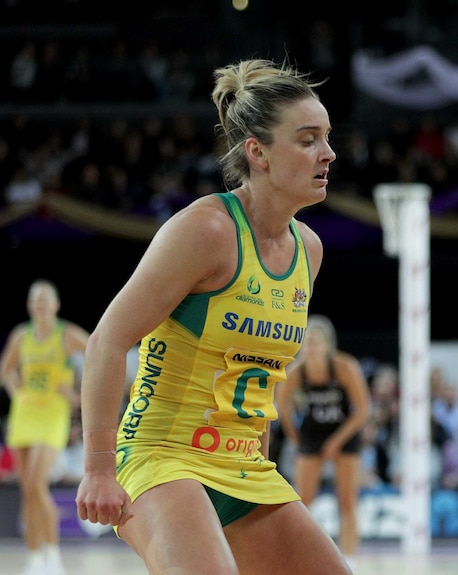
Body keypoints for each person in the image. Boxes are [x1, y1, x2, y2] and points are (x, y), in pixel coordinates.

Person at [74, 58, 351, 575]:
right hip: (162, 455)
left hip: (244, 464)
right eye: (309, 139)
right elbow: (107, 341)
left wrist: (262, 469)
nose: (329, 153)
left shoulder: (308, 250)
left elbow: (260, 381)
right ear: (258, 153)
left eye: (328, 137)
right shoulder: (207, 230)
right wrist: (98, 469)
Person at [0, 279, 90, 575]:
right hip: (24, 415)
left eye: (45, 300)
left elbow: (99, 355)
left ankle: (53, 555)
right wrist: (17, 392)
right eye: (35, 300)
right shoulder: (21, 336)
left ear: (55, 304)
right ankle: (35, 556)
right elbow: (6, 370)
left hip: (53, 416)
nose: (40, 305)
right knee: (28, 489)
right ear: (29, 306)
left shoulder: (67, 335)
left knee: (38, 484)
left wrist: (77, 394)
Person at [275, 314, 371, 557]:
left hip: (345, 430)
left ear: (328, 345)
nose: (311, 348)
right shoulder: (296, 372)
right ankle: (297, 555)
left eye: (316, 342)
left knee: (347, 500)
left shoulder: (344, 366)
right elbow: (281, 407)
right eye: (307, 343)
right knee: (302, 500)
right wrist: (296, 439)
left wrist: (335, 442)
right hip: (312, 432)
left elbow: (363, 411)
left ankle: (350, 559)